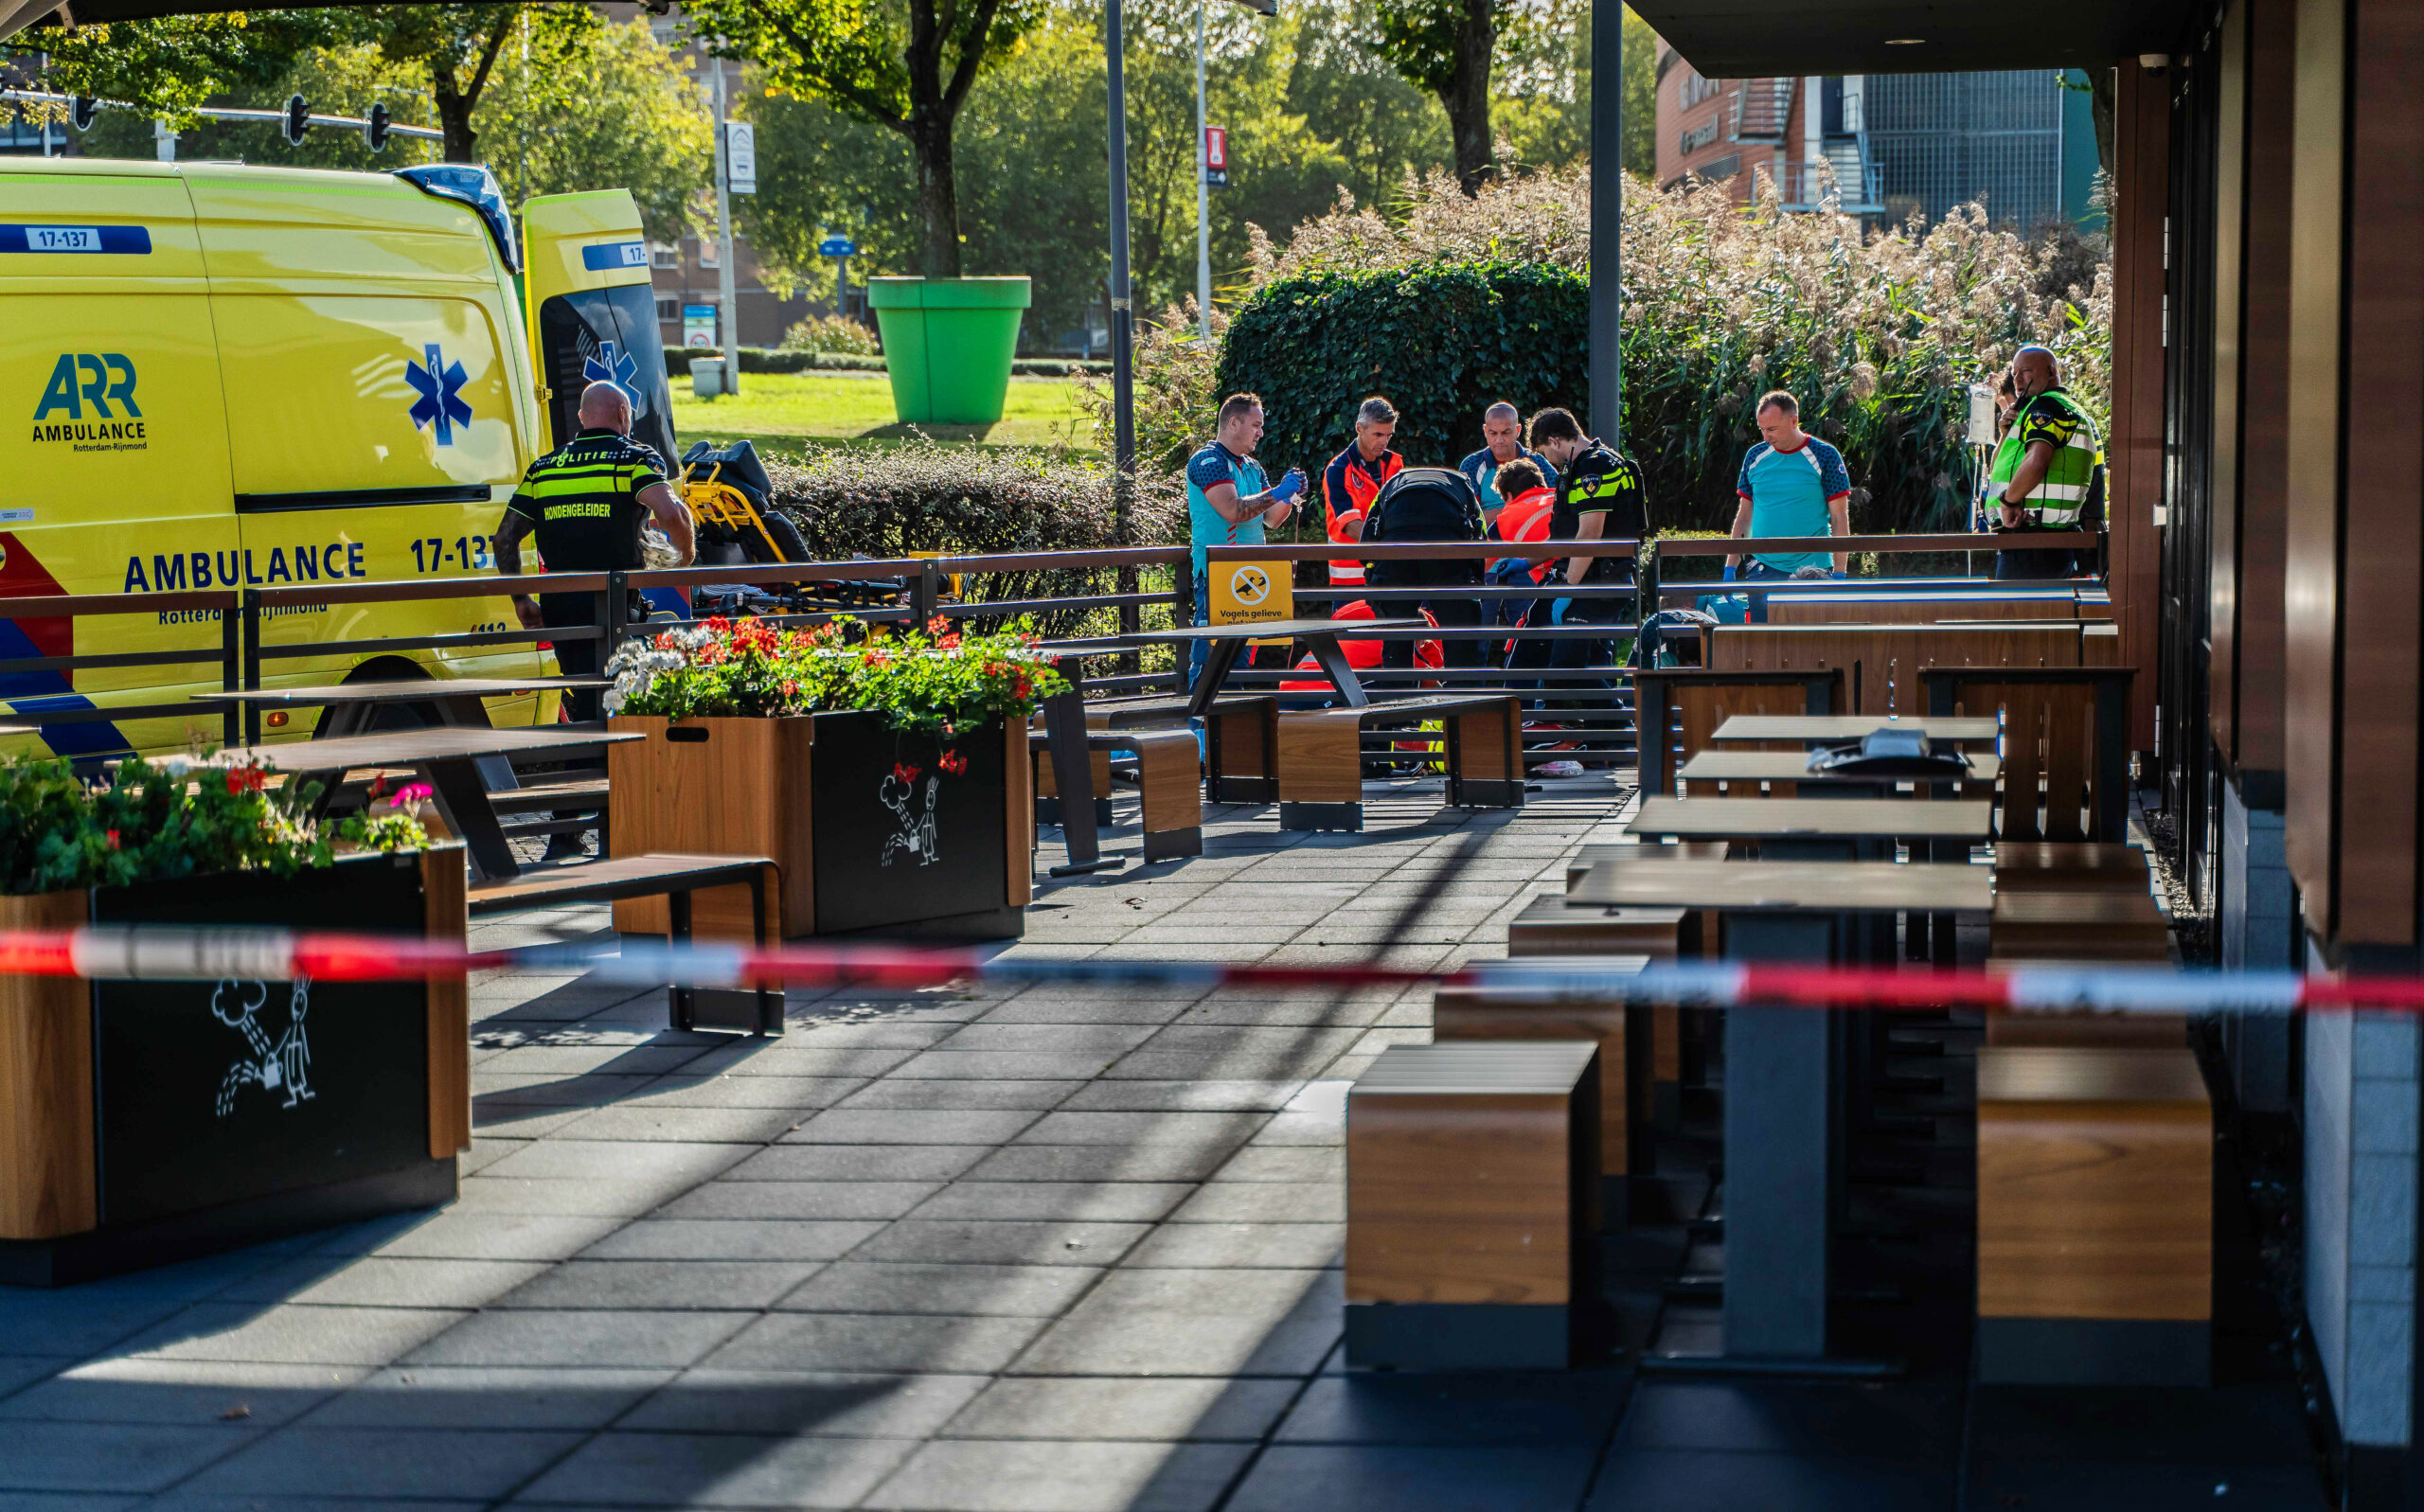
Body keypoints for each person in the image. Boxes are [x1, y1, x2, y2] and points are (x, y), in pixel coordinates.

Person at [496, 380, 697, 722]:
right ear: (623, 413)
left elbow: (504, 539)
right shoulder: (634, 458)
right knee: (623, 700)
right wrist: (686, 558)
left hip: (560, 607)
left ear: (581, 417)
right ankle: (611, 754)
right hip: (614, 604)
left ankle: (588, 749)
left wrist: (522, 601)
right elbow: (672, 514)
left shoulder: (544, 468)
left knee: (587, 694)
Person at [1528, 407, 1647, 765]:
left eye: (1544, 452)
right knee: (1591, 662)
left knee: (1568, 664)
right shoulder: (1584, 465)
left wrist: (1567, 587)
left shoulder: (1595, 467)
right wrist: (1527, 561)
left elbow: (1590, 534)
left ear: (1554, 440)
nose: (1547, 462)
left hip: (1599, 583)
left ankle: (1621, 731)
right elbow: (1565, 535)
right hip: (1596, 580)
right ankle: (1610, 744)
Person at [1185, 392, 1304, 689]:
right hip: (1216, 575)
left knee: (1241, 661)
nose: (1261, 433)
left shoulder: (1252, 466)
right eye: (1256, 425)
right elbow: (1233, 510)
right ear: (1234, 423)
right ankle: (1199, 717)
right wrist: (1276, 492)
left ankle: (1234, 717)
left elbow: (1272, 519)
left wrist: (1288, 496)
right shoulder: (1207, 461)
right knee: (1212, 659)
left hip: (1252, 575)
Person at [1726, 390, 1852, 622]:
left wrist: (1840, 573)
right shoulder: (1754, 456)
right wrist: (1730, 568)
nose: (1766, 436)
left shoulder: (1825, 455)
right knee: (1764, 639)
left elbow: (1839, 518)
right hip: (1763, 567)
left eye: (1772, 429)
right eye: (1762, 429)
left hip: (1813, 569)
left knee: (1813, 639)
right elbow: (1744, 516)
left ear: (1794, 421)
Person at [1988, 346, 2106, 580]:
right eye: (2014, 373)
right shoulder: (2066, 409)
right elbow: (1998, 471)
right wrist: (2005, 435)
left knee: (2017, 604)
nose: (2017, 379)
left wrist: (2008, 501)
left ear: (2051, 372)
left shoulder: (2046, 406)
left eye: (2025, 371)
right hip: (2043, 539)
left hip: (2032, 538)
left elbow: (2038, 460)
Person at [1322, 397, 1404, 594]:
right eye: (1378, 434)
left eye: (1389, 435)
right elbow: (1350, 525)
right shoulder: (1338, 469)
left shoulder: (1395, 464)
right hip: (1349, 576)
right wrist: (1391, 545)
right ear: (1359, 428)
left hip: (1387, 572)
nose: (1384, 441)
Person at [1457, 401, 1559, 522]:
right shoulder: (1471, 465)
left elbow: (1559, 503)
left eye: (1506, 432)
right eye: (1493, 433)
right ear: (1485, 431)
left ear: (1518, 430)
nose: (1499, 440)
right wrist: (1520, 510)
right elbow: (1467, 516)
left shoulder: (1538, 461)